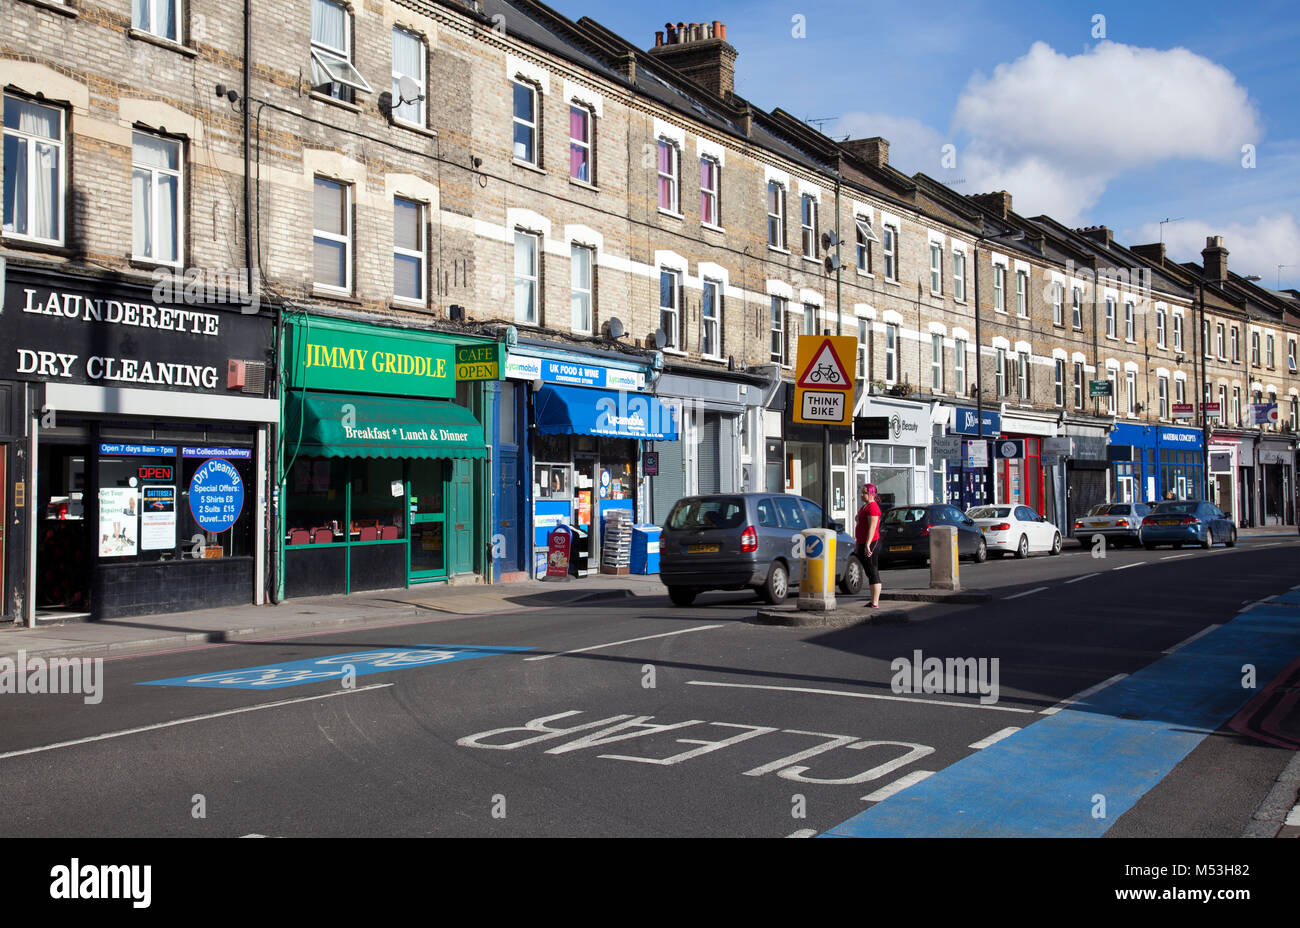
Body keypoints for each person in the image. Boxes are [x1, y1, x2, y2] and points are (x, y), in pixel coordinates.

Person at [854, 483, 883, 608]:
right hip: (862, 542)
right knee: (868, 571)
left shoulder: (873, 508)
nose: (861, 494)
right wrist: (858, 544)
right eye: (862, 491)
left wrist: (867, 544)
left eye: (864, 492)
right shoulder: (864, 507)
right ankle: (872, 601)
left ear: (871, 494)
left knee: (872, 571)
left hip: (871, 543)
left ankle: (875, 602)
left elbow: (872, 527)